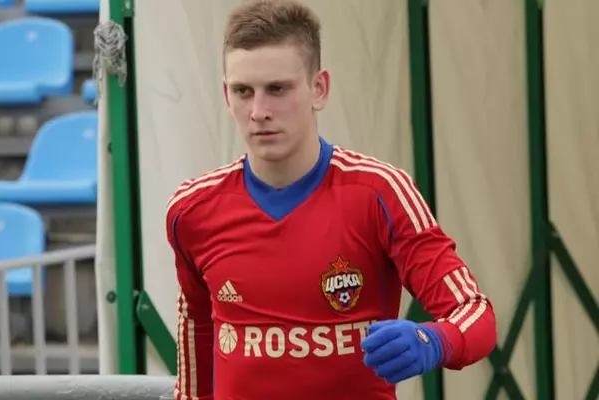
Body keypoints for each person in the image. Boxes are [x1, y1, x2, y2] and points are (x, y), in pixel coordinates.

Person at [165, 0, 497, 399]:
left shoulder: (380, 194)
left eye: (277, 89)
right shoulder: (193, 211)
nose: (258, 111)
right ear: (226, 95)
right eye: (243, 91)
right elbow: (197, 338)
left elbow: (476, 314)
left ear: (319, 88)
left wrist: (434, 341)